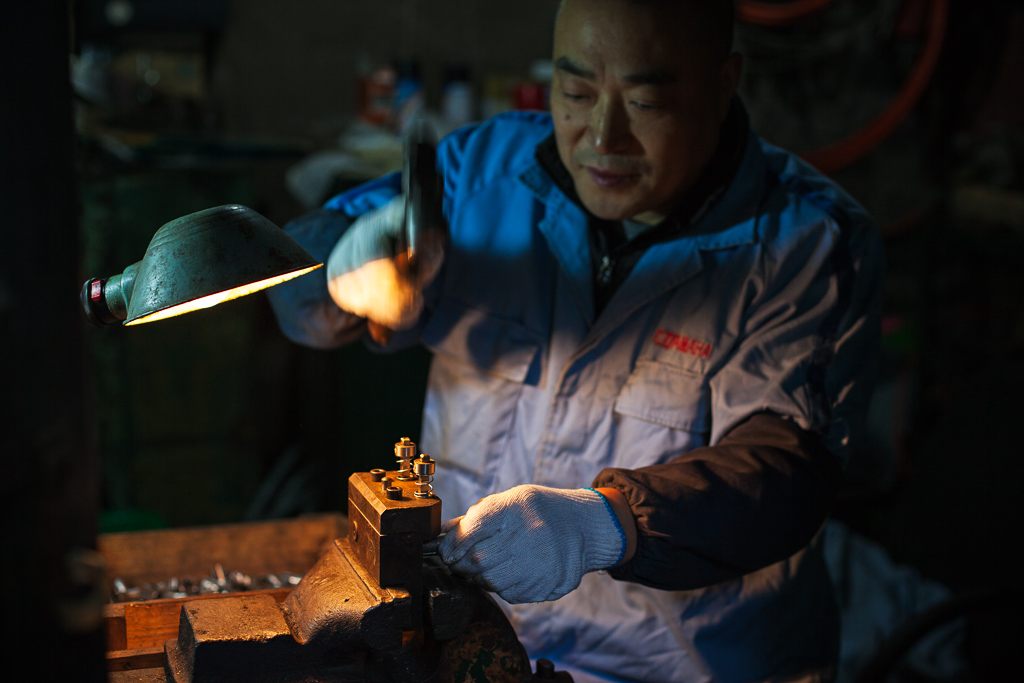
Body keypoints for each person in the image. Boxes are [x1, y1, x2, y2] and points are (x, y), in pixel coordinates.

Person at [269, 0, 883, 680]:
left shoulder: (807, 241)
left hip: (685, 666)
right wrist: (341, 269)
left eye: (646, 101)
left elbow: (783, 472)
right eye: (577, 91)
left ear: (723, 82)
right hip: (480, 649)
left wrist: (606, 523)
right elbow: (291, 267)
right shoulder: (481, 175)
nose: (603, 137)